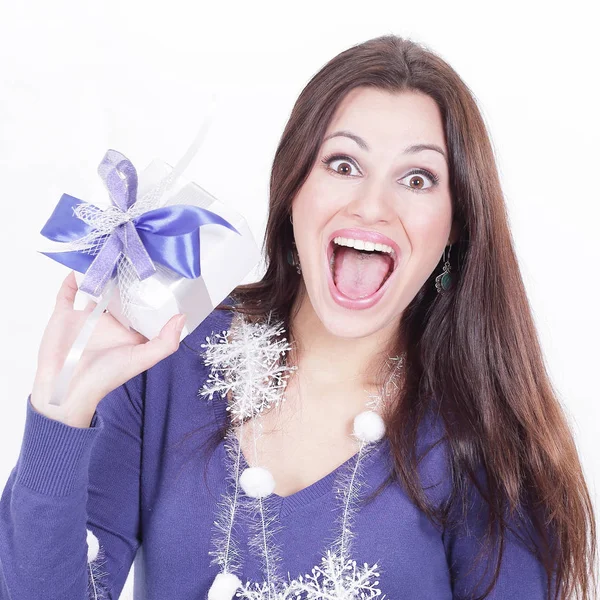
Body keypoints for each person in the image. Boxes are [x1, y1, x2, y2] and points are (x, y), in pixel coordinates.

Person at [0, 34, 597, 600]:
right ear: (293, 191)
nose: (372, 205)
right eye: (343, 165)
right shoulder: (167, 353)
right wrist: (62, 413)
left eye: (416, 178)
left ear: (455, 225)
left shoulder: (490, 434)